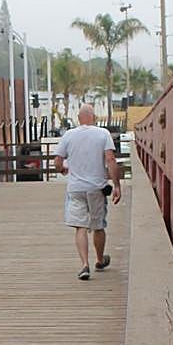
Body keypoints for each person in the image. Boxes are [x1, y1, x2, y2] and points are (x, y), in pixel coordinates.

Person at [54, 105, 122, 280]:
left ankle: (84, 265)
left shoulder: (69, 135)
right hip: (97, 188)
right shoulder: (103, 134)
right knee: (98, 225)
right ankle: (99, 260)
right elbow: (110, 160)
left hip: (75, 188)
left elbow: (58, 161)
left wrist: (62, 169)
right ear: (93, 117)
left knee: (80, 227)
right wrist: (116, 185)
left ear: (78, 118)